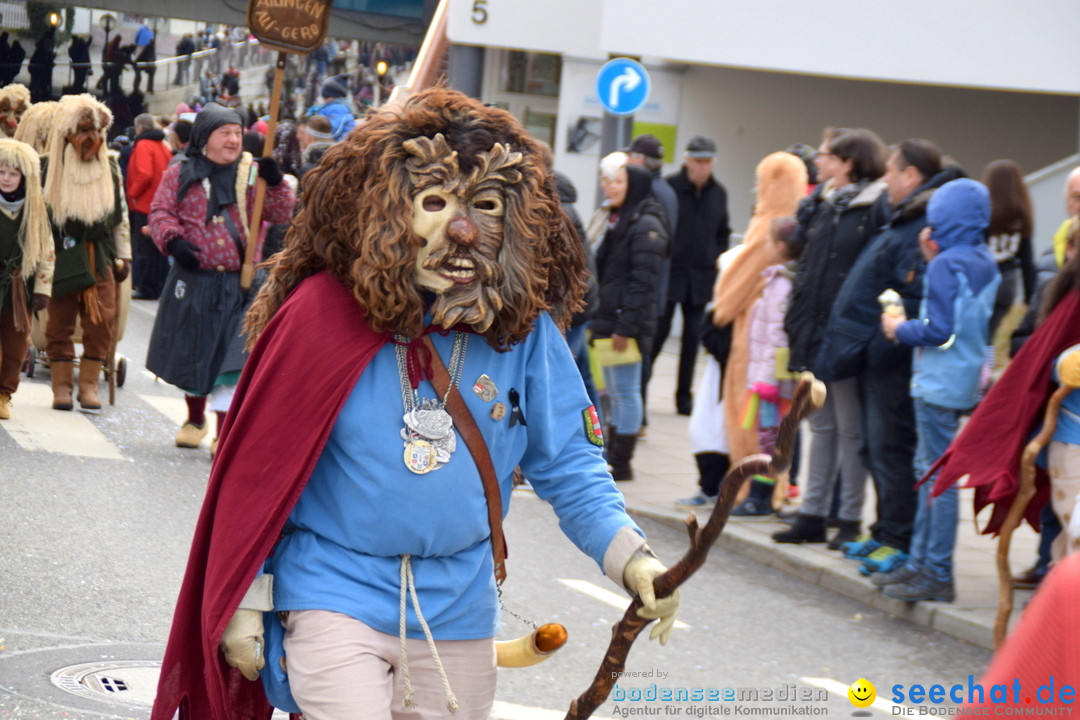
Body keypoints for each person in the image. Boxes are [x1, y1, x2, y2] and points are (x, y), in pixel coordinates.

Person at [149, 87, 680, 720]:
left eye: (484, 205)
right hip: (332, 590)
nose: (461, 229)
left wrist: (632, 558)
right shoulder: (321, 315)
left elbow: (569, 461)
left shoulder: (524, 331)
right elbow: (260, 476)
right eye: (435, 203)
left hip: (459, 605)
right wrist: (245, 597)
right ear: (389, 211)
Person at [817, 139, 954, 574]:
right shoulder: (905, 217)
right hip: (875, 355)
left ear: (911, 175)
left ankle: (897, 536)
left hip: (890, 360)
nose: (886, 180)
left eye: (892, 172)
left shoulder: (921, 224)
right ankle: (883, 530)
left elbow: (910, 295)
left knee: (891, 447)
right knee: (875, 449)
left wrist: (876, 347)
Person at [878, 178, 1000, 602]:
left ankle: (933, 571)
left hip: (937, 381)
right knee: (931, 473)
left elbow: (940, 331)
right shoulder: (984, 258)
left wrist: (899, 328)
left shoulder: (948, 263)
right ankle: (922, 565)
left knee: (934, 478)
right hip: (962, 379)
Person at [146, 103, 295, 453]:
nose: (233, 139)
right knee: (194, 352)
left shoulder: (252, 173)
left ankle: (222, 434)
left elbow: (280, 212)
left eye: (237, 132)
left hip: (240, 283)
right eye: (224, 132)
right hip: (195, 279)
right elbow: (161, 212)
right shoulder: (180, 172)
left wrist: (275, 183)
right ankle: (194, 419)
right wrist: (173, 240)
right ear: (205, 137)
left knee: (232, 360)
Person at [773, 127, 888, 547]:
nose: (818, 162)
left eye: (827, 156)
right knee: (820, 426)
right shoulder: (825, 203)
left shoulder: (874, 207)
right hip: (815, 330)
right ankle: (812, 514)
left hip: (847, 333)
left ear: (848, 163)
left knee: (850, 429)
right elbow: (806, 263)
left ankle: (849, 518)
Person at [678, 151, 807, 508]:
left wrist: (717, 313)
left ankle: (752, 491)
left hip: (752, 341)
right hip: (768, 345)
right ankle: (761, 490)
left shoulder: (770, 226)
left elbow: (732, 289)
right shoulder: (797, 222)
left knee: (749, 422)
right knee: (771, 424)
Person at [43, 94, 131, 413]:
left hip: (101, 255)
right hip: (62, 256)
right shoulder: (48, 167)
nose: (90, 138)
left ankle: (89, 384)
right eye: (82, 130)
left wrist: (126, 256)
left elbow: (120, 216)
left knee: (102, 320)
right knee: (59, 322)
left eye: (95, 131)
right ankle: (62, 386)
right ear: (67, 133)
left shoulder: (110, 166)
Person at [591, 157, 669, 481]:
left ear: (634, 186)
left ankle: (622, 461)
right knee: (613, 389)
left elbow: (644, 282)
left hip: (627, 324)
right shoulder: (620, 220)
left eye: (618, 182)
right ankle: (613, 454)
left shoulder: (646, 225)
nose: (610, 187)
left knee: (626, 390)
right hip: (611, 319)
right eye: (609, 181)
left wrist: (626, 327)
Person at [653, 135, 730, 416]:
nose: (703, 167)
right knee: (659, 333)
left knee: (692, 340)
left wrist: (714, 256)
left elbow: (723, 233)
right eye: (698, 161)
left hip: (700, 279)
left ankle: (684, 399)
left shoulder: (718, 193)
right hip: (671, 274)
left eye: (708, 162)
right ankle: (642, 388)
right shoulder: (671, 188)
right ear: (687, 161)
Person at [729, 216, 801, 516]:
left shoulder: (782, 286)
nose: (767, 247)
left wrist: (766, 380)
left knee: (769, 438)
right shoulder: (776, 280)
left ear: (781, 246)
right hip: (766, 378)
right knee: (768, 436)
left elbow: (776, 337)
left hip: (771, 383)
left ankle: (762, 495)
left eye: (770, 241)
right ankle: (764, 493)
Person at [0, 138, 53, 420]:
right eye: (1, 172)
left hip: (19, 286)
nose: (6, 178)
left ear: (24, 177)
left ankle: (3, 394)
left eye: (13, 173)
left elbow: (47, 252)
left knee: (16, 343)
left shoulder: (36, 210)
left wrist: (43, 288)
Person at [981, 159, 1035, 343]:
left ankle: (979, 369)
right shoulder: (1022, 215)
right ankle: (986, 369)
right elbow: (1027, 261)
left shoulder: (984, 213)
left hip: (983, 278)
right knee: (991, 335)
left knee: (978, 334)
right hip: (1008, 280)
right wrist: (1029, 298)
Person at [126, 113, 172, 300]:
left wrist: (132, 194)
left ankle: (146, 287)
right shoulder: (163, 145)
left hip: (144, 204)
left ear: (138, 128)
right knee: (157, 250)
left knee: (145, 249)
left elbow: (143, 174)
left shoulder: (143, 145)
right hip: (160, 203)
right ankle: (157, 286)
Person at [304, 76, 356, 142]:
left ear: (333, 96)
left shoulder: (339, 108)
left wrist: (319, 135)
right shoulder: (329, 108)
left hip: (339, 144)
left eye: (326, 96)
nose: (324, 99)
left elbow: (334, 130)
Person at [133, 23, 157, 95]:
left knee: (139, 73)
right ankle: (149, 89)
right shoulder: (151, 32)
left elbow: (136, 37)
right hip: (148, 58)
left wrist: (137, 43)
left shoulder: (142, 29)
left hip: (141, 46)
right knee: (150, 73)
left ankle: (137, 88)